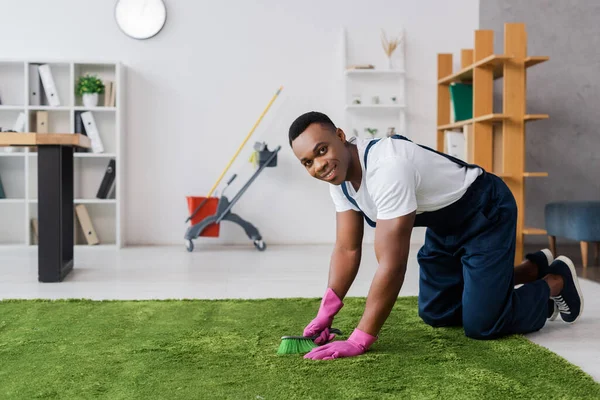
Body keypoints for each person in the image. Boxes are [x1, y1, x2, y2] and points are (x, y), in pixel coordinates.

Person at [288, 111, 584, 361]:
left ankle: (553, 281)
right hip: (445, 226)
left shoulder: (387, 167)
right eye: (308, 162)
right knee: (436, 312)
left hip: (485, 211)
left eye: (321, 150)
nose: (319, 165)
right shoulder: (338, 183)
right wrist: (327, 310)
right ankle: (530, 269)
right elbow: (346, 249)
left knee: (482, 324)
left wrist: (359, 339)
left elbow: (391, 266)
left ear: (340, 136)